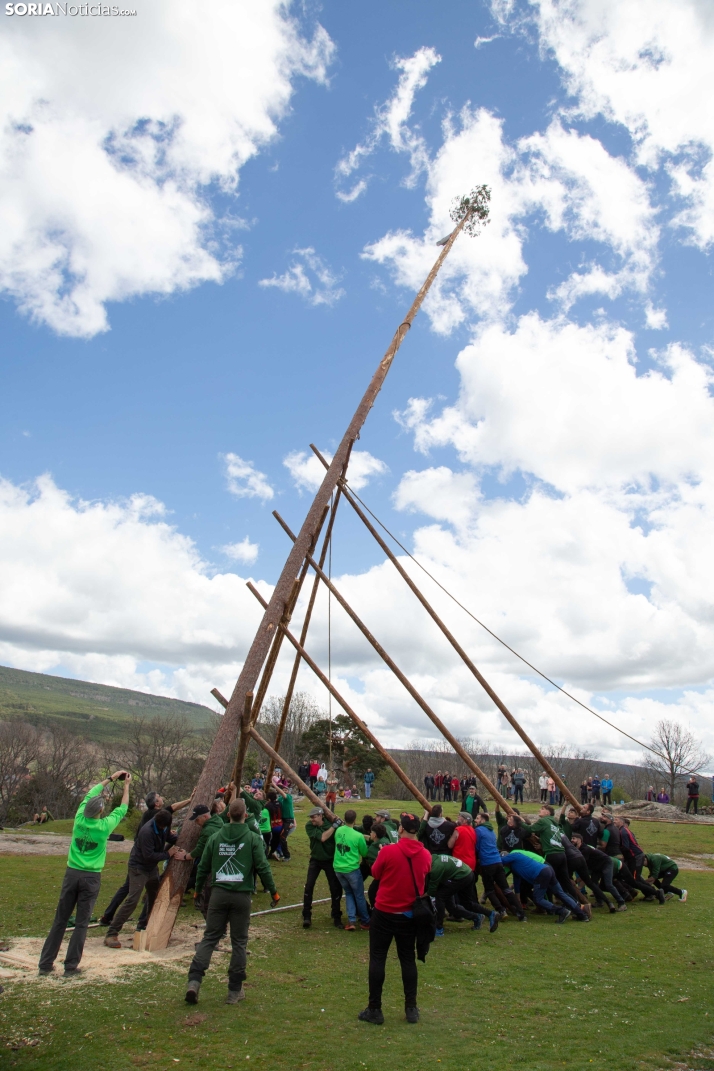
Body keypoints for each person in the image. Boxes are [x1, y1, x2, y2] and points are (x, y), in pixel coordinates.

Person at [185, 799, 279, 1005]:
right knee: (239, 942)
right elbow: (263, 866)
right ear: (245, 815)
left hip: (218, 893)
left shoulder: (215, 837)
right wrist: (273, 892)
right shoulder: (252, 838)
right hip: (241, 896)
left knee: (210, 937)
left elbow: (203, 867)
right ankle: (234, 991)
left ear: (228, 815)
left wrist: (198, 891)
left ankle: (194, 982)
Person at [39, 770, 131, 977]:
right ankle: (71, 967)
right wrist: (125, 786)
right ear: (100, 811)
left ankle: (45, 964)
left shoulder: (79, 819)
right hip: (91, 877)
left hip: (72, 873)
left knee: (60, 920)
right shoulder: (104, 827)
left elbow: (90, 794)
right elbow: (123, 808)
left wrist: (110, 778)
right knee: (81, 923)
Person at [358, 813, 432, 1027]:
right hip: (409, 914)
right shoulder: (425, 855)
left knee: (378, 958)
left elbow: (375, 873)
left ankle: (375, 1008)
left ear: (401, 829)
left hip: (384, 912)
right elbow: (425, 875)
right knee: (407, 959)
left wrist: (383, 854)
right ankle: (411, 1007)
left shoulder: (389, 851)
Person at [104, 807, 179, 947]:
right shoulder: (147, 832)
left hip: (151, 868)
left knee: (154, 897)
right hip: (139, 868)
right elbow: (148, 855)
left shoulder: (164, 825)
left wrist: (178, 839)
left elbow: (167, 836)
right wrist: (167, 854)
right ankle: (112, 933)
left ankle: (145, 926)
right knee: (132, 900)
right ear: (159, 823)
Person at [500, 850, 590, 923]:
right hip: (547, 869)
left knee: (538, 899)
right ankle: (582, 915)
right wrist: (518, 899)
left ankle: (562, 911)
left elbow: (500, 861)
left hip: (541, 874)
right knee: (560, 893)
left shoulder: (514, 855)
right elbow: (517, 884)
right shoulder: (514, 867)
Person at [525, 805, 583, 906]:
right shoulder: (555, 823)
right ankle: (576, 904)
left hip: (551, 854)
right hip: (562, 854)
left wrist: (519, 822)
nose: (540, 810)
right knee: (566, 881)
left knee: (548, 879)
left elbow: (530, 829)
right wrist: (542, 842)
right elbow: (552, 838)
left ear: (547, 813)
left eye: (542, 809)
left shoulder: (544, 821)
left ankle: (550, 905)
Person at [473, 813, 526, 920]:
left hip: (487, 863)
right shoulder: (491, 830)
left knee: (489, 889)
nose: (475, 820)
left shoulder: (478, 830)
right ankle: (521, 914)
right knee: (506, 889)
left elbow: (477, 847)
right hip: (497, 861)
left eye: (477, 818)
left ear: (483, 820)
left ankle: (501, 910)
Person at [427, 854, 492, 934]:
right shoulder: (436, 858)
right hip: (466, 873)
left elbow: (432, 890)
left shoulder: (436, 867)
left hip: (461, 877)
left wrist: (423, 896)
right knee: (456, 906)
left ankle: (439, 928)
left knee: (440, 897)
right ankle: (479, 916)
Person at [302, 807, 343, 928]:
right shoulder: (309, 826)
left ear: (321, 816)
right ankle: (306, 916)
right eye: (311, 817)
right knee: (309, 886)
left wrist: (338, 825)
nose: (312, 819)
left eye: (314, 817)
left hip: (330, 860)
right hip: (315, 859)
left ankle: (336, 916)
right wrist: (334, 826)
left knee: (335, 888)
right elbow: (323, 838)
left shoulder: (331, 824)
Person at [333, 809, 370, 930]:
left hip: (338, 868)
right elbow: (364, 853)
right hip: (352, 869)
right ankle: (365, 921)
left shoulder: (338, 830)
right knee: (359, 895)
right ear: (355, 820)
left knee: (348, 893)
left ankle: (351, 921)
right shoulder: (358, 836)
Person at [569, 833, 626, 910]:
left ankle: (621, 903)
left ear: (579, 840)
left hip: (606, 863)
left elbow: (582, 866)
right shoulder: (577, 850)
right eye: (571, 838)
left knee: (608, 884)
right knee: (594, 883)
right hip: (596, 867)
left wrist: (577, 881)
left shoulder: (585, 849)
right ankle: (599, 902)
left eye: (574, 838)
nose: (572, 840)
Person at [275, 783, 295, 860]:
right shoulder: (280, 799)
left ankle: (287, 856)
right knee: (278, 835)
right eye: (283, 790)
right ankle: (279, 852)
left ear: (288, 791)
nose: (284, 791)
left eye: (286, 790)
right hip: (282, 820)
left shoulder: (289, 797)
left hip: (289, 820)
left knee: (283, 837)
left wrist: (275, 785)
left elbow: (283, 794)